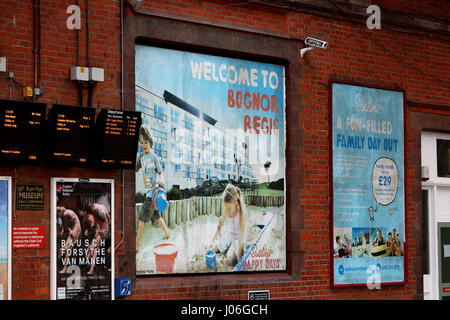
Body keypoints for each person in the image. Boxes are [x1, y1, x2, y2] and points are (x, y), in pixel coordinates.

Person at [136, 125, 170, 252]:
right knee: (156, 216)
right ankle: (167, 233)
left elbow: (160, 172)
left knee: (141, 219)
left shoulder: (154, 157)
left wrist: (161, 179)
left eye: (146, 142)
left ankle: (137, 245)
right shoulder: (140, 157)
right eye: (141, 142)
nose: (144, 145)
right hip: (148, 192)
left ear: (150, 142)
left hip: (153, 193)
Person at [210, 184, 246, 267]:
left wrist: (240, 259)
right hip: (230, 235)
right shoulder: (227, 207)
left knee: (229, 261)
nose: (227, 210)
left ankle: (231, 250)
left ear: (236, 203)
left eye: (229, 208)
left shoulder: (241, 215)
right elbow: (220, 225)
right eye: (226, 207)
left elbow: (241, 239)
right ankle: (227, 247)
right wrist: (212, 240)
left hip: (238, 238)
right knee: (212, 250)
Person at [57, 206, 82, 274]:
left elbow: (65, 228)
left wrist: (62, 233)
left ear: (59, 212)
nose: (58, 217)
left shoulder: (65, 214)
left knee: (66, 248)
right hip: (76, 229)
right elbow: (67, 226)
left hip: (75, 230)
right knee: (71, 249)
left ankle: (64, 268)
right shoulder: (67, 212)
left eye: (57, 215)